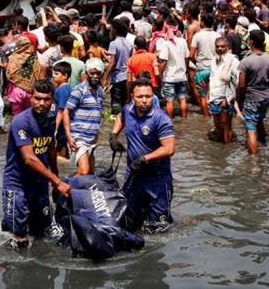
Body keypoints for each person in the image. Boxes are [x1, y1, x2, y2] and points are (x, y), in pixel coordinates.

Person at [1, 80, 71, 249]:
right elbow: (29, 158)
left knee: (42, 231)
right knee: (20, 237)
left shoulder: (51, 118)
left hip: (39, 182)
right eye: (37, 98)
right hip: (17, 183)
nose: (41, 103)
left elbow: (50, 148)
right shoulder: (21, 122)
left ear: (52, 100)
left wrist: (56, 176)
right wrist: (57, 182)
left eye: (46, 99)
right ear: (31, 98)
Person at [110, 77, 175, 233]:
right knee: (129, 223)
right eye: (140, 97)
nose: (145, 100)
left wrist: (145, 158)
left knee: (158, 229)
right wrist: (113, 135)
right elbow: (121, 117)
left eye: (148, 96)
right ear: (133, 97)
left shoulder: (161, 118)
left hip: (157, 179)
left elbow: (169, 148)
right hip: (133, 176)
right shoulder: (128, 109)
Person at [64, 58, 105, 176]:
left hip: (91, 138)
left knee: (91, 173)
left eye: (98, 73)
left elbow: (98, 113)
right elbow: (66, 112)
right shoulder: (79, 90)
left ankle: (78, 192)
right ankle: (62, 189)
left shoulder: (100, 91)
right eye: (92, 73)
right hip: (78, 137)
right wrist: (68, 136)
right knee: (84, 171)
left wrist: (97, 135)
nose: (95, 76)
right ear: (86, 73)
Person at [237, 30, 269, 154]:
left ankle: (253, 160)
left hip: (252, 98)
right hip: (265, 97)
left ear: (251, 42)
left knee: (250, 129)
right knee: (260, 121)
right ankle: (263, 145)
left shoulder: (245, 62)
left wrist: (239, 101)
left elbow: (241, 85)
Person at [208, 37, 241, 144]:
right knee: (217, 125)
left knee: (226, 126)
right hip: (214, 97)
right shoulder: (214, 60)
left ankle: (227, 148)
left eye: (222, 46)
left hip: (225, 99)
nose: (220, 48)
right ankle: (221, 153)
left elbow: (236, 83)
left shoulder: (233, 61)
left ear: (228, 47)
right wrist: (208, 94)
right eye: (217, 46)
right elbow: (212, 78)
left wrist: (228, 98)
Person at [156, 21, 190, 119]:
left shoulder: (166, 43)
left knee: (169, 100)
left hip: (169, 77)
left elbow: (163, 62)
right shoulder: (183, 41)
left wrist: (159, 74)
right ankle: (184, 119)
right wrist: (185, 70)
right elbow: (187, 58)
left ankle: (169, 120)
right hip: (181, 76)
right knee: (183, 99)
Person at [190, 13, 220, 117]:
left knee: (203, 96)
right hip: (215, 70)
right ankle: (214, 117)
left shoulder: (197, 36)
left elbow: (191, 55)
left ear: (202, 22)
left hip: (201, 70)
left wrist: (198, 63)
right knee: (214, 95)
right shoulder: (217, 35)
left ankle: (206, 117)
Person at [105, 19, 134, 113]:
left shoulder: (113, 44)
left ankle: (115, 121)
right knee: (126, 101)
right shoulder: (129, 43)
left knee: (116, 104)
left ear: (114, 30)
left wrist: (105, 76)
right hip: (127, 77)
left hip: (117, 78)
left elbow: (112, 62)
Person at [50, 61, 72, 158]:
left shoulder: (63, 90)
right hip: (60, 124)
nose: (53, 76)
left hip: (61, 125)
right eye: (53, 73)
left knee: (59, 147)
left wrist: (56, 127)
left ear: (65, 76)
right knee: (60, 146)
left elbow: (61, 110)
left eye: (56, 74)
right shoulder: (59, 88)